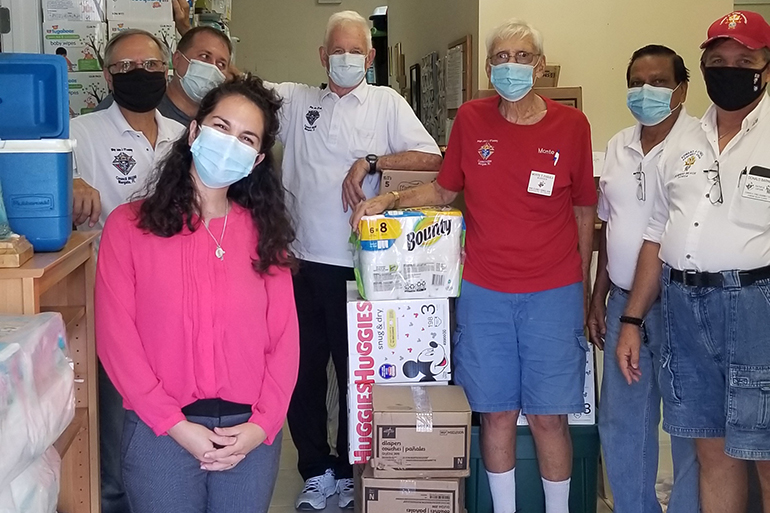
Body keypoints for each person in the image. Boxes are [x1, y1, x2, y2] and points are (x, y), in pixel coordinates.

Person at [353, 18, 596, 513]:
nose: (511, 66)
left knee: (550, 418)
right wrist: (390, 201)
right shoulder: (471, 119)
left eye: (522, 56)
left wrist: (584, 289)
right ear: (488, 68)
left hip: (554, 293)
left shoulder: (572, 127)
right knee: (497, 413)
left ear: (540, 66)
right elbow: (444, 190)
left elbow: (584, 211)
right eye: (501, 58)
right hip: (485, 291)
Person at [94, 75, 299, 513]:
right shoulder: (128, 228)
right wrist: (175, 425)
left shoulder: (265, 233)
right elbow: (117, 341)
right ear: (194, 131)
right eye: (221, 127)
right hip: (160, 432)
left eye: (246, 138)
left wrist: (262, 426)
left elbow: (284, 340)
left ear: (256, 159)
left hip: (249, 435)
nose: (230, 143)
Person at [269, 10, 442, 510]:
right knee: (302, 374)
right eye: (336, 51)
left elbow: (433, 158)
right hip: (300, 263)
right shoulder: (299, 100)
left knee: (354, 373)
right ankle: (314, 471)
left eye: (355, 52)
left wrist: (372, 161)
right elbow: (243, 96)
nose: (345, 59)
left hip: (359, 265)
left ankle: (348, 470)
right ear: (323, 57)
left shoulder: (386, 102)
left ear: (369, 56)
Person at [616, 10, 770, 513]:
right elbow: (656, 236)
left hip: (756, 307)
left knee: (765, 450)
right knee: (712, 449)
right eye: (718, 60)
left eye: (743, 60)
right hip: (684, 303)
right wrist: (633, 319)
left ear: (765, 67)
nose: (729, 69)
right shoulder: (681, 141)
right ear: (703, 68)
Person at [69, 28, 186, 513]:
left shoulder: (185, 137)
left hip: (176, 306)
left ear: (167, 70)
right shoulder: (79, 134)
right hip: (112, 305)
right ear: (107, 75)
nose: (141, 74)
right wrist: (70, 182)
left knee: (173, 418)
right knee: (116, 426)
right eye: (126, 68)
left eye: (152, 66)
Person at [587, 45, 700, 513]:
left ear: (681, 89)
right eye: (636, 82)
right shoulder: (618, 145)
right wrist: (599, 295)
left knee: (691, 424)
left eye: (657, 82)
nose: (645, 91)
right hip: (622, 306)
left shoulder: (701, 145)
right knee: (622, 421)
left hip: (684, 304)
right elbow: (609, 228)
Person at [93, 25, 232, 126]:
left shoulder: (218, 120)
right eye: (204, 56)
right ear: (177, 60)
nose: (212, 67)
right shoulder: (132, 101)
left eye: (221, 64)